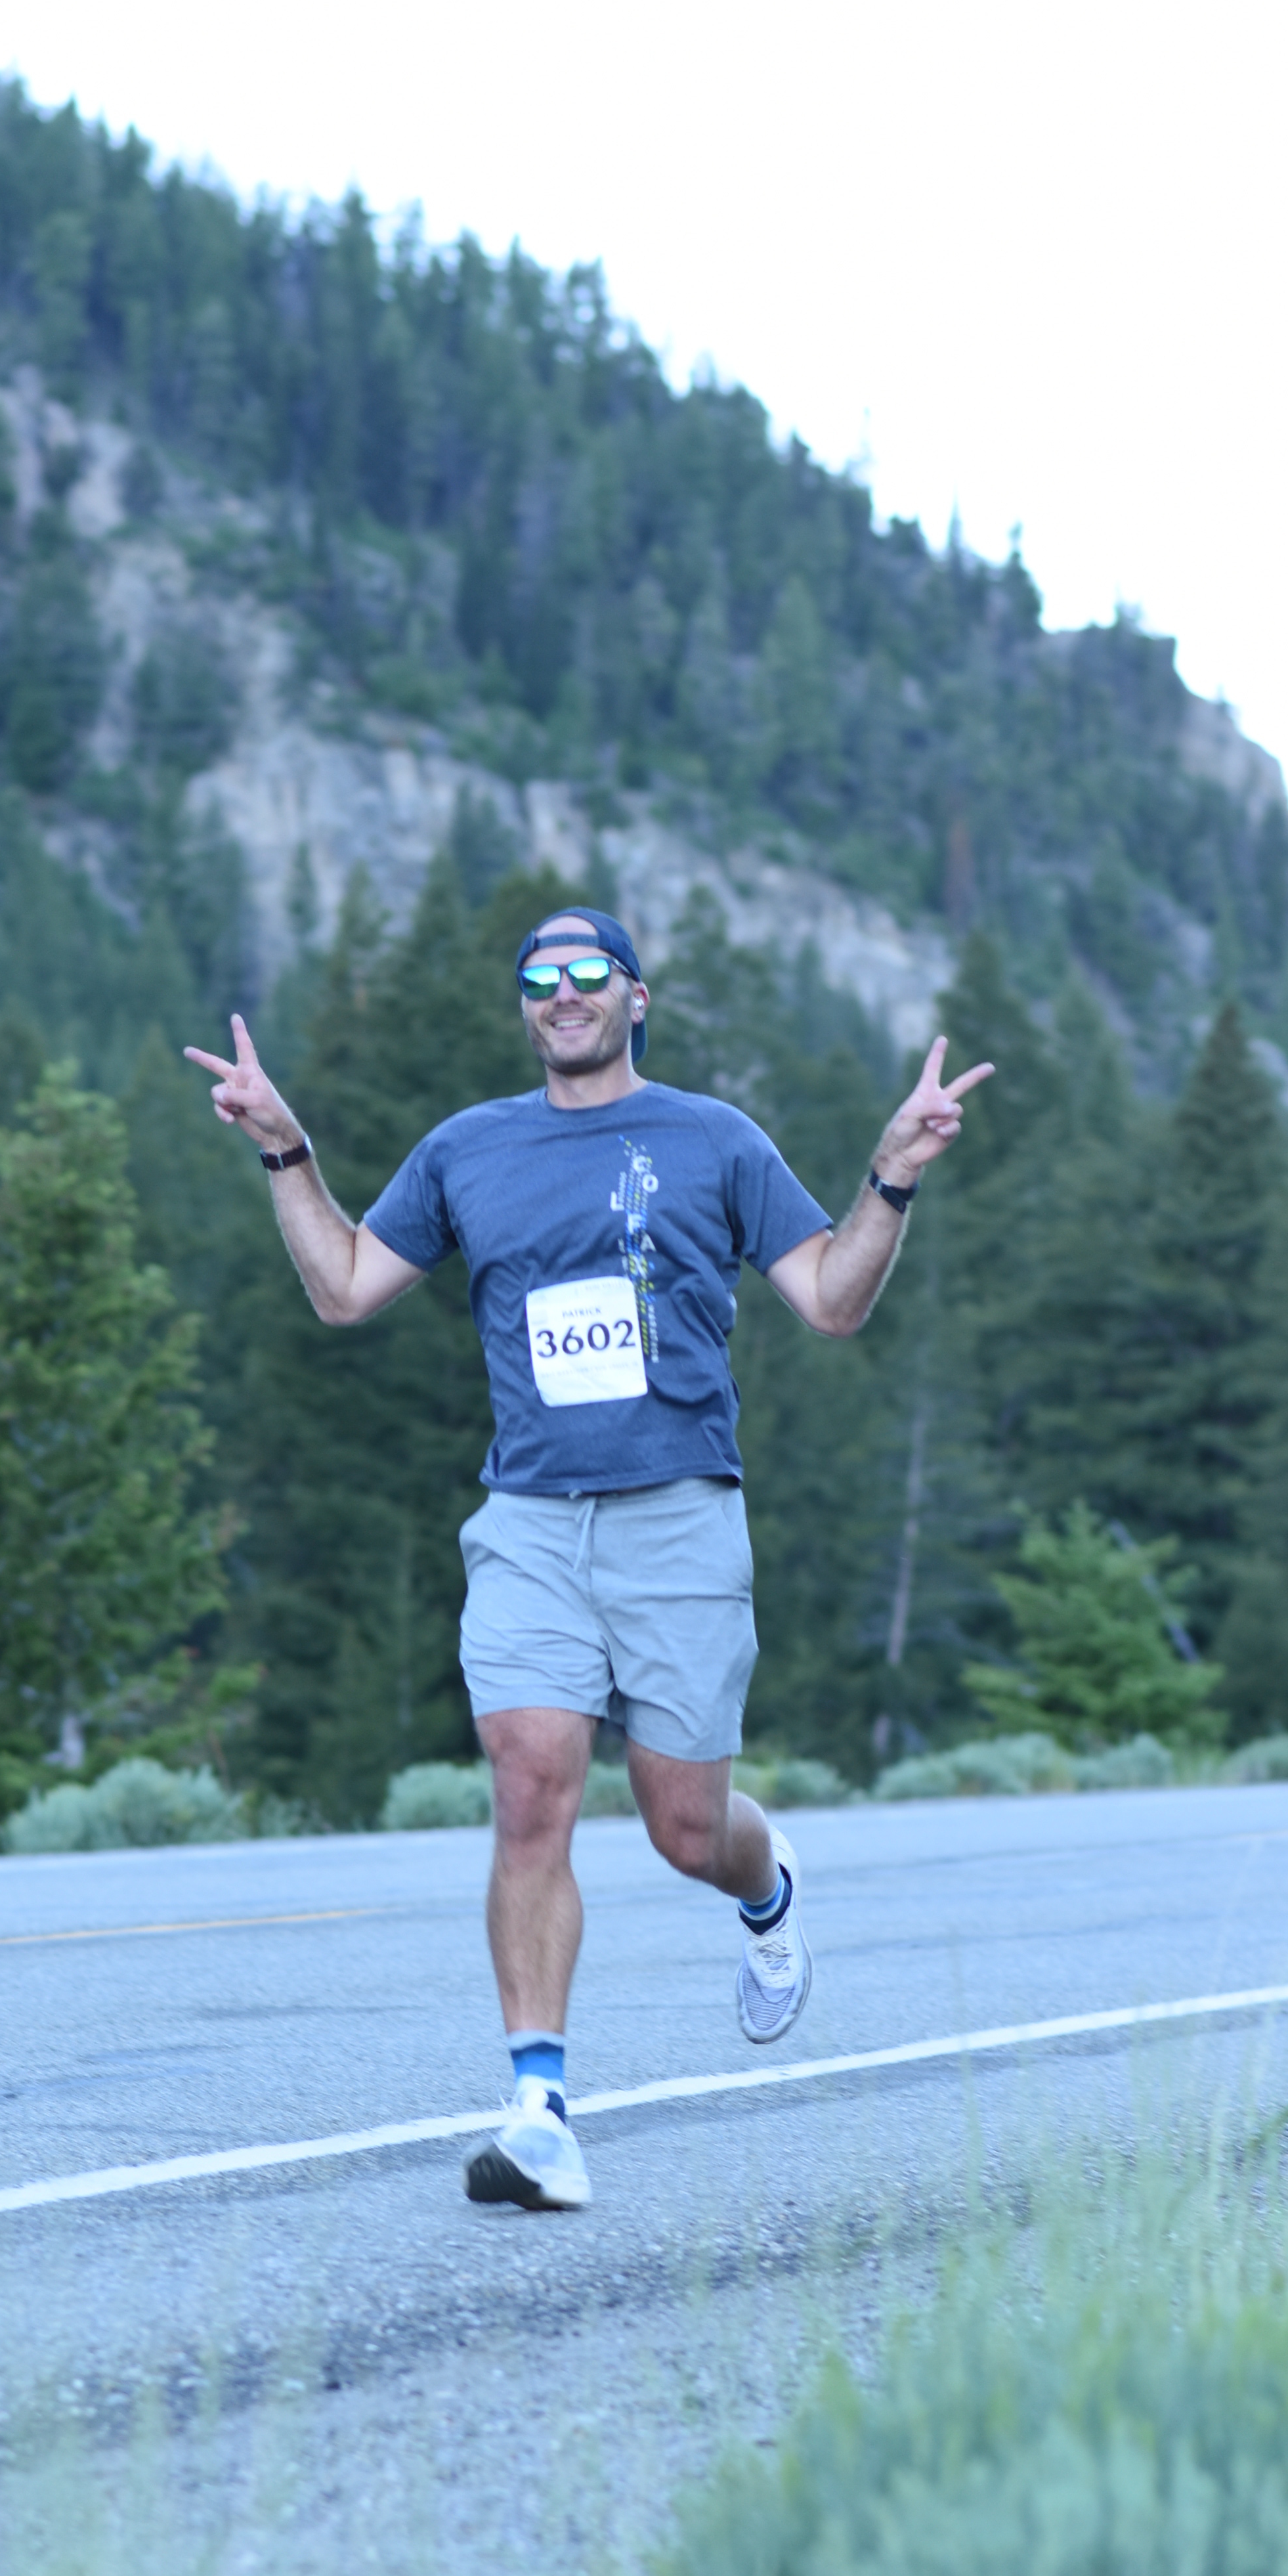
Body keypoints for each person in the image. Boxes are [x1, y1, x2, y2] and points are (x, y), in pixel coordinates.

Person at [184, 909, 991, 2214]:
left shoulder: (714, 1140)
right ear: (525, 1006)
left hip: (680, 1517)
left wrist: (891, 1176)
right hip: (530, 1522)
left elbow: (832, 1303)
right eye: (539, 978)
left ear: (636, 998)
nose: (562, 994)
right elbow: (343, 1287)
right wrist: (286, 1149)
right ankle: (540, 2111)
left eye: (587, 974)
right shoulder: (468, 1149)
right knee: (529, 1789)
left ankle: (767, 1887)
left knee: (685, 1828)